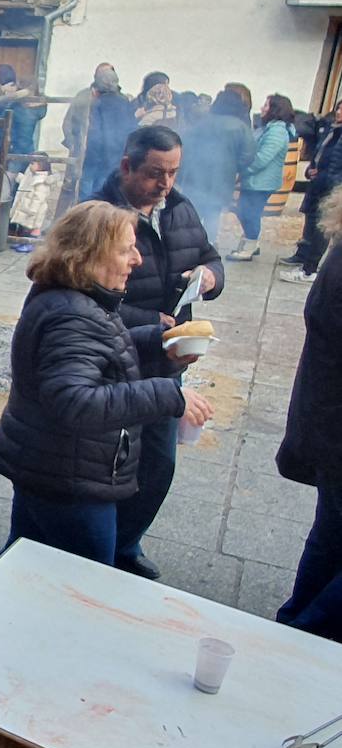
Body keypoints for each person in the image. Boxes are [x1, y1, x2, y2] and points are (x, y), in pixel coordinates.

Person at [0, 201, 211, 565]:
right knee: (85, 582)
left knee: (20, 561)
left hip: (48, 465)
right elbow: (77, 401)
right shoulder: (72, 314)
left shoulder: (76, 298)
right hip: (69, 480)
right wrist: (169, 394)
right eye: (125, 250)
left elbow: (103, 353)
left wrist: (159, 344)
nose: (137, 260)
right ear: (87, 255)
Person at [92, 125, 224, 579]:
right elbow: (81, 300)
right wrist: (151, 325)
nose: (165, 184)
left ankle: (125, 545)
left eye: (173, 173)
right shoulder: (98, 216)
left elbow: (211, 257)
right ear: (127, 166)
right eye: (154, 173)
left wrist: (208, 278)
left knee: (158, 463)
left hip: (166, 365)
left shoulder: (180, 209)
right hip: (113, 367)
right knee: (107, 465)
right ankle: (92, 544)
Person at [275, 187, 342, 641]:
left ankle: (298, 626)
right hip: (335, 421)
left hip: (329, 419)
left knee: (332, 532)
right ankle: (307, 629)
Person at [179, 89, 254, 247]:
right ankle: (209, 242)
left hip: (195, 175)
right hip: (222, 177)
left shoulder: (201, 122)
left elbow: (185, 146)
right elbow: (248, 155)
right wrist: (235, 167)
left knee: (194, 210)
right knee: (213, 212)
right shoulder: (240, 127)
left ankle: (189, 242)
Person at [227, 94, 296, 262]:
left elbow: (262, 158)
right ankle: (251, 242)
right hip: (255, 181)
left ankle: (249, 248)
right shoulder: (269, 128)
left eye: (266, 105)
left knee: (249, 213)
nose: (262, 108)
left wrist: (242, 171)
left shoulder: (277, 131)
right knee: (246, 212)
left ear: (275, 109)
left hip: (260, 182)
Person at [281, 97, 342, 284]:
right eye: (339, 108)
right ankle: (303, 256)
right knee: (310, 222)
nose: (339, 112)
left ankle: (310, 269)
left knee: (321, 229)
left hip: (332, 189)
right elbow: (320, 155)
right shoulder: (332, 130)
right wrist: (310, 170)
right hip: (318, 185)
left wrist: (325, 177)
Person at [63, 64, 136, 202]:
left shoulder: (102, 102)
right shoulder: (84, 97)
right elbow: (69, 123)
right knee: (96, 191)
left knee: (91, 192)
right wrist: (73, 145)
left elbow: (97, 130)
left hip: (98, 155)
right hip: (98, 155)